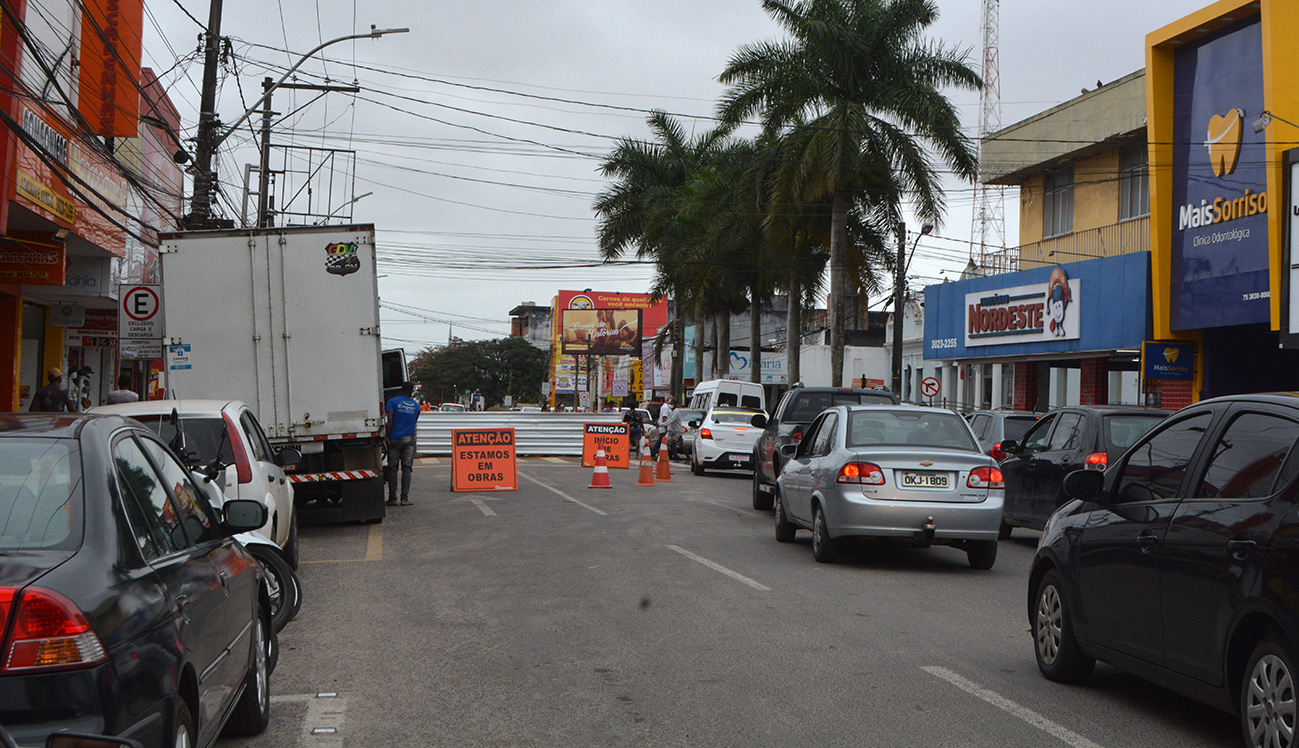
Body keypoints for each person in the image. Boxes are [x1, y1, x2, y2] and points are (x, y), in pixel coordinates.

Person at [384, 381, 421, 507]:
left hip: (395, 439)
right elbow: (414, 421)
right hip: (409, 440)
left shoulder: (392, 402)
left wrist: (387, 435)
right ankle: (404, 499)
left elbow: (390, 418)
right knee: (407, 469)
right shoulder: (416, 406)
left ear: (401, 389)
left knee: (393, 469)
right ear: (411, 391)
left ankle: (392, 498)